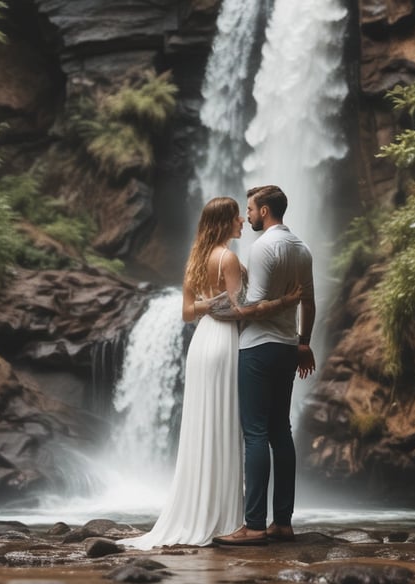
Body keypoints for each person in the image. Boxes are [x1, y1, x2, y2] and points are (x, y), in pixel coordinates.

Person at [118, 196, 300, 549]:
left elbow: (188, 312)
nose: (242, 222)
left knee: (208, 423)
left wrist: (209, 305)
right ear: (223, 222)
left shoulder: (197, 259)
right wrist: (283, 303)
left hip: (202, 344)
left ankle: (204, 509)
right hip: (225, 344)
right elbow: (242, 312)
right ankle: (228, 516)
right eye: (236, 217)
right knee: (229, 423)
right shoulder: (228, 258)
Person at [212, 185, 316, 546]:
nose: (249, 215)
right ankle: (283, 522)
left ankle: (254, 525)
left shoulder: (262, 247)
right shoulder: (302, 249)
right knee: (280, 432)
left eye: (252, 209)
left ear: (266, 211)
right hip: (287, 347)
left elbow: (252, 304)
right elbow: (310, 303)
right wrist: (304, 342)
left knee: (255, 434)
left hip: (257, 348)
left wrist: (223, 314)